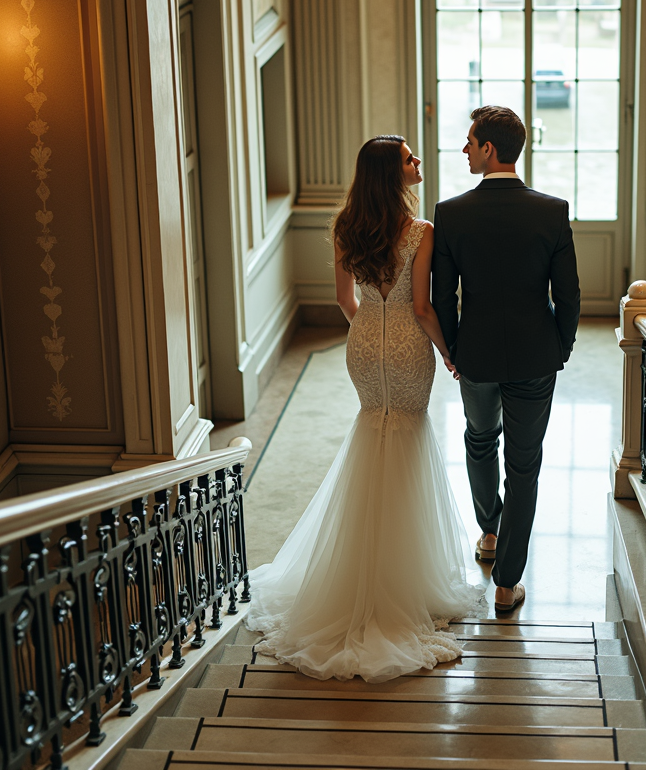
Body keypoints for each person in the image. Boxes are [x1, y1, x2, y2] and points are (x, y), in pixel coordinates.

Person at [245, 135, 485, 682]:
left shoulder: (345, 225)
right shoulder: (421, 232)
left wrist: (366, 334)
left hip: (364, 347)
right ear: (391, 174)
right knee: (407, 438)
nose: (418, 161)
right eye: (408, 158)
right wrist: (451, 356)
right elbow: (423, 308)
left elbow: (343, 299)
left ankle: (357, 574)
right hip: (406, 347)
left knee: (370, 434)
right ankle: (402, 581)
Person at [432, 106, 580, 613]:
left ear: (490, 149)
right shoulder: (552, 209)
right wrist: (560, 348)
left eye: (470, 141)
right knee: (524, 466)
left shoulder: (450, 213)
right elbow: (570, 294)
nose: (465, 149)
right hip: (536, 356)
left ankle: (489, 533)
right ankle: (505, 584)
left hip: (474, 356)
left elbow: (442, 297)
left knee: (479, 439)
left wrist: (452, 350)